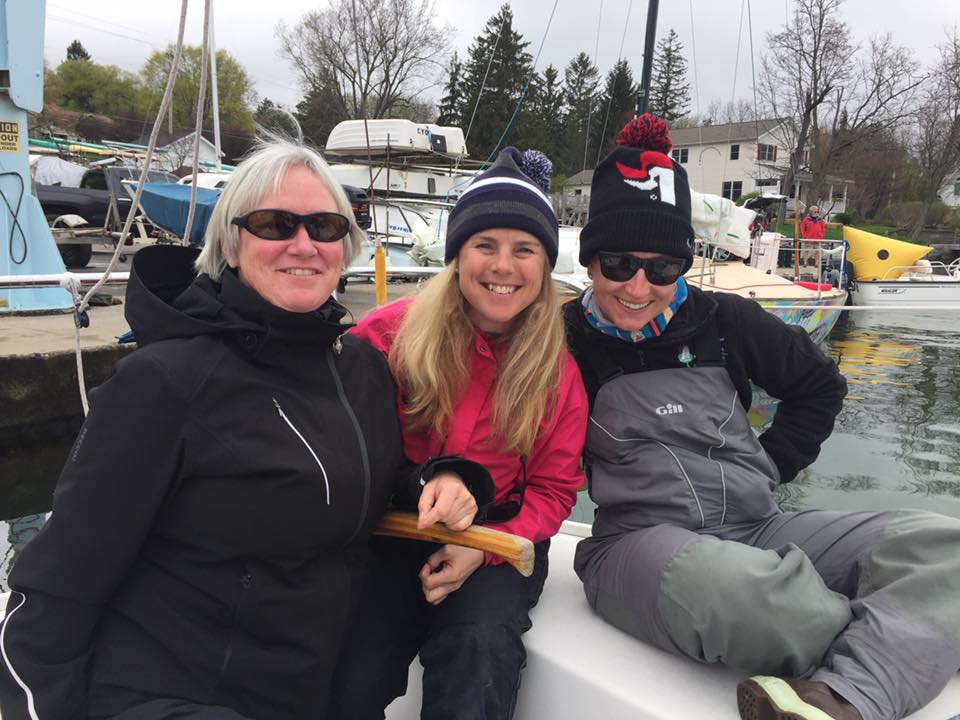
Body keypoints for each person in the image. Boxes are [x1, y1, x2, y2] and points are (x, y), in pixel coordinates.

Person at [0, 141, 485, 720]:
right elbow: (60, 581)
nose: (303, 244)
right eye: (275, 224)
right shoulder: (164, 382)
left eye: (324, 227)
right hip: (170, 693)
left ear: (344, 249)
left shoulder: (357, 368)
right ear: (231, 244)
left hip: (304, 688)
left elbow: (361, 478)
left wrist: (444, 479)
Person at [563, 114, 960, 720]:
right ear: (591, 261)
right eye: (619, 263)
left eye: (664, 267)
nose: (639, 286)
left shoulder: (727, 321)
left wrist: (770, 465)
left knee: (942, 547)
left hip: (759, 526)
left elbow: (821, 388)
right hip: (636, 546)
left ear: (684, 266)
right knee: (755, 599)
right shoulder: (558, 342)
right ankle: (907, 646)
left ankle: (841, 699)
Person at [329, 148, 588, 720]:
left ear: (545, 265)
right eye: (485, 246)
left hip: (499, 538)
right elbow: (347, 450)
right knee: (350, 671)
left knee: (478, 653)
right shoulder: (384, 339)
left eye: (524, 250)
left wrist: (482, 552)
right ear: (457, 255)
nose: (504, 266)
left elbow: (553, 491)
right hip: (391, 530)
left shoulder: (558, 373)